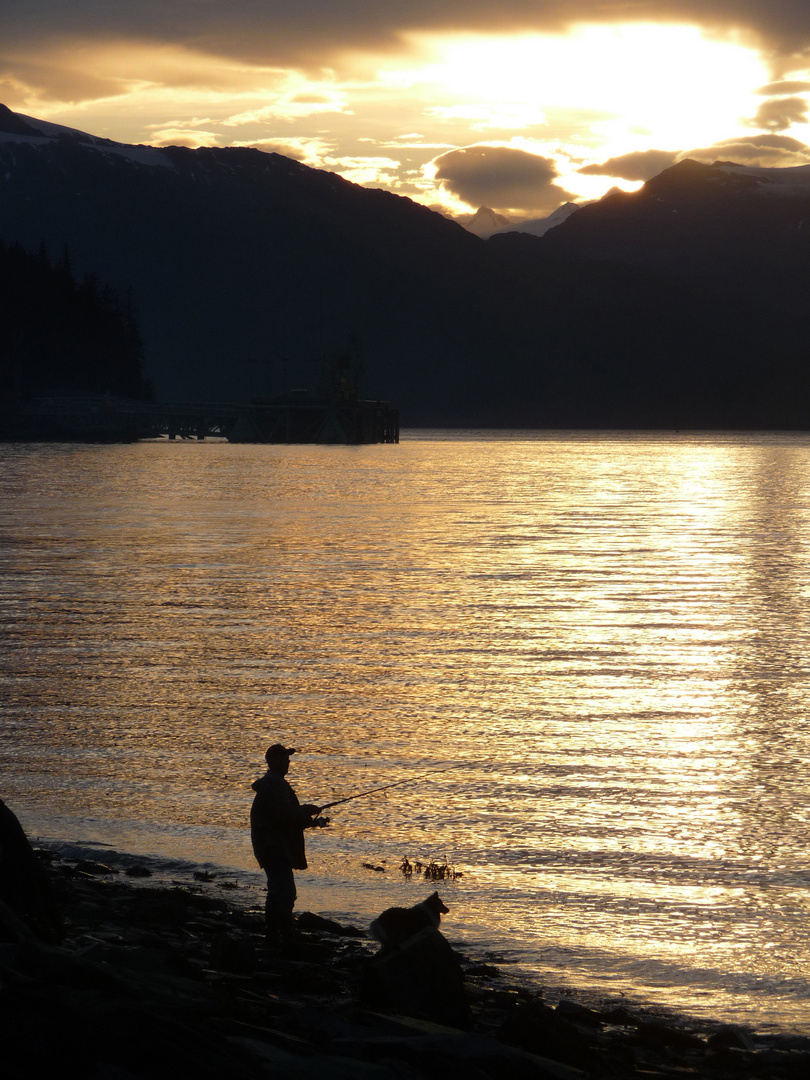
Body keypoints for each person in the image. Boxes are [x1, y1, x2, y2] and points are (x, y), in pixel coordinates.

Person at [250, 743, 326, 944]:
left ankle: (278, 930)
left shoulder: (275, 783)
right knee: (283, 890)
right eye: (285, 758)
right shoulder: (274, 785)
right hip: (273, 846)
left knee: (281, 889)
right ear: (274, 761)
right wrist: (306, 810)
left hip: (274, 845)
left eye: (288, 758)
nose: (288, 762)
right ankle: (277, 932)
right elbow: (285, 816)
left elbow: (285, 819)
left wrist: (312, 821)